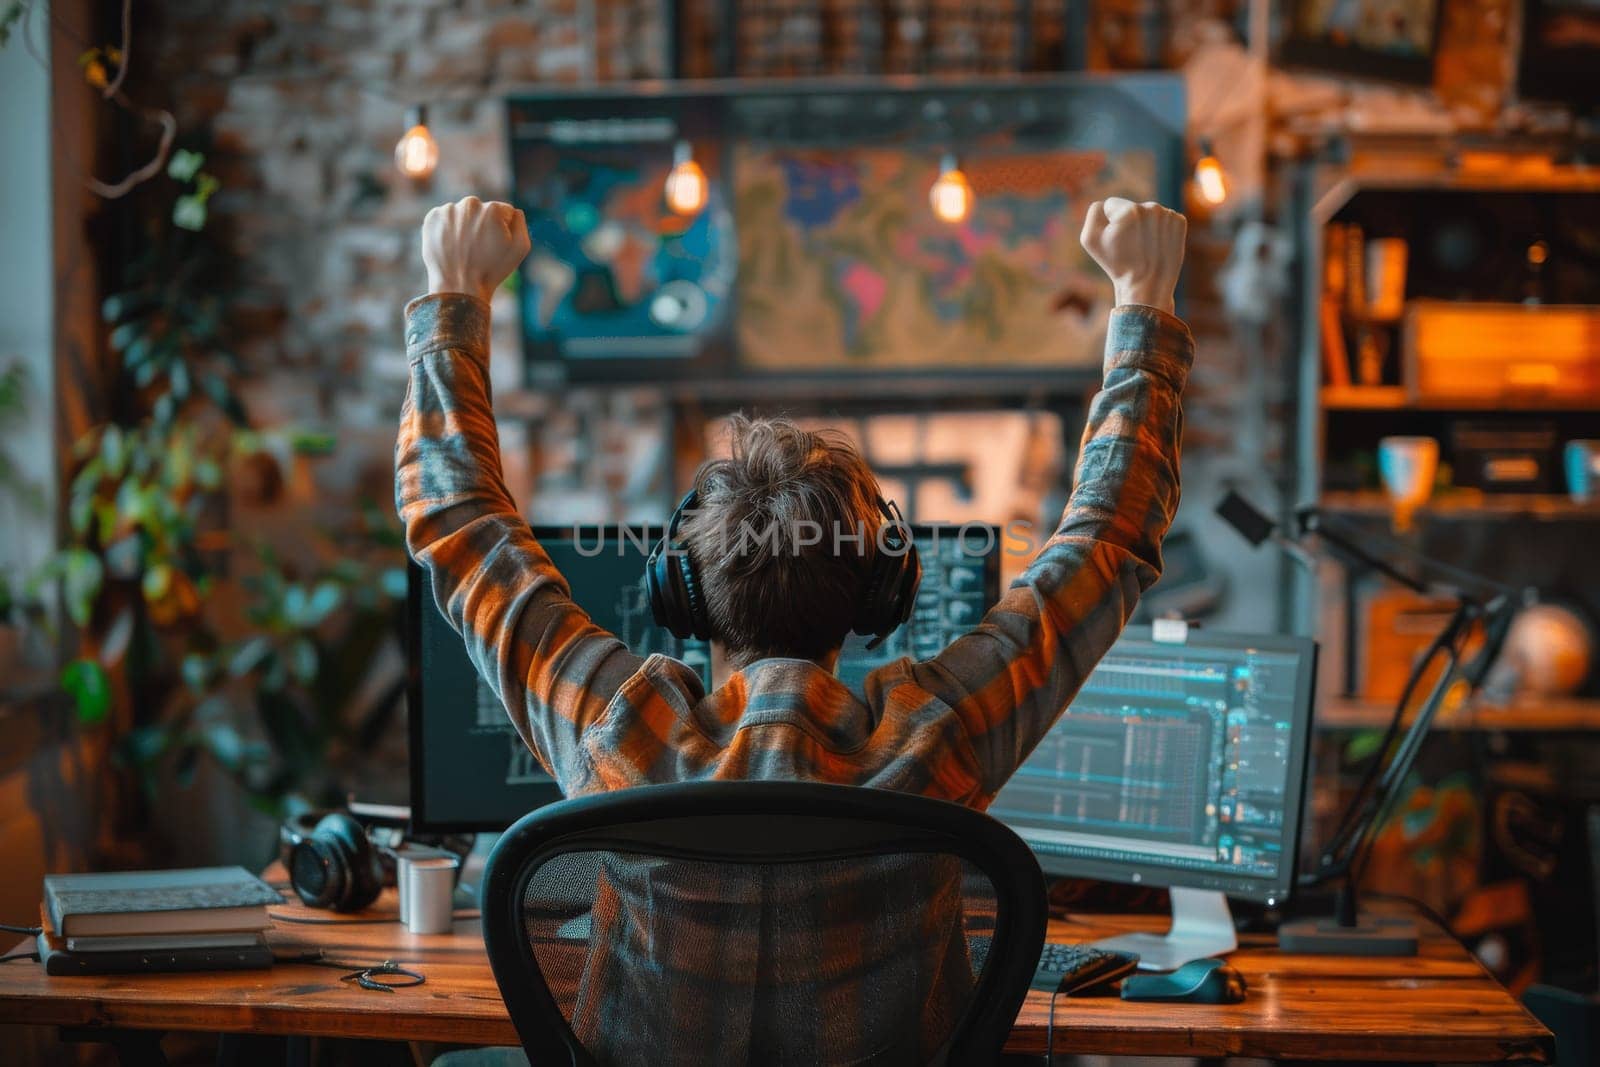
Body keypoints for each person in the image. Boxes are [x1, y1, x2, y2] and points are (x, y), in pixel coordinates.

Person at [397, 193, 1190, 1063]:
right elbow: (1106, 542)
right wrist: (1143, 299)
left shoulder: (616, 730)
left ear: (683, 592)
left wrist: (455, 295)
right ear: (879, 594)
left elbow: (463, 526)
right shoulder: (932, 737)